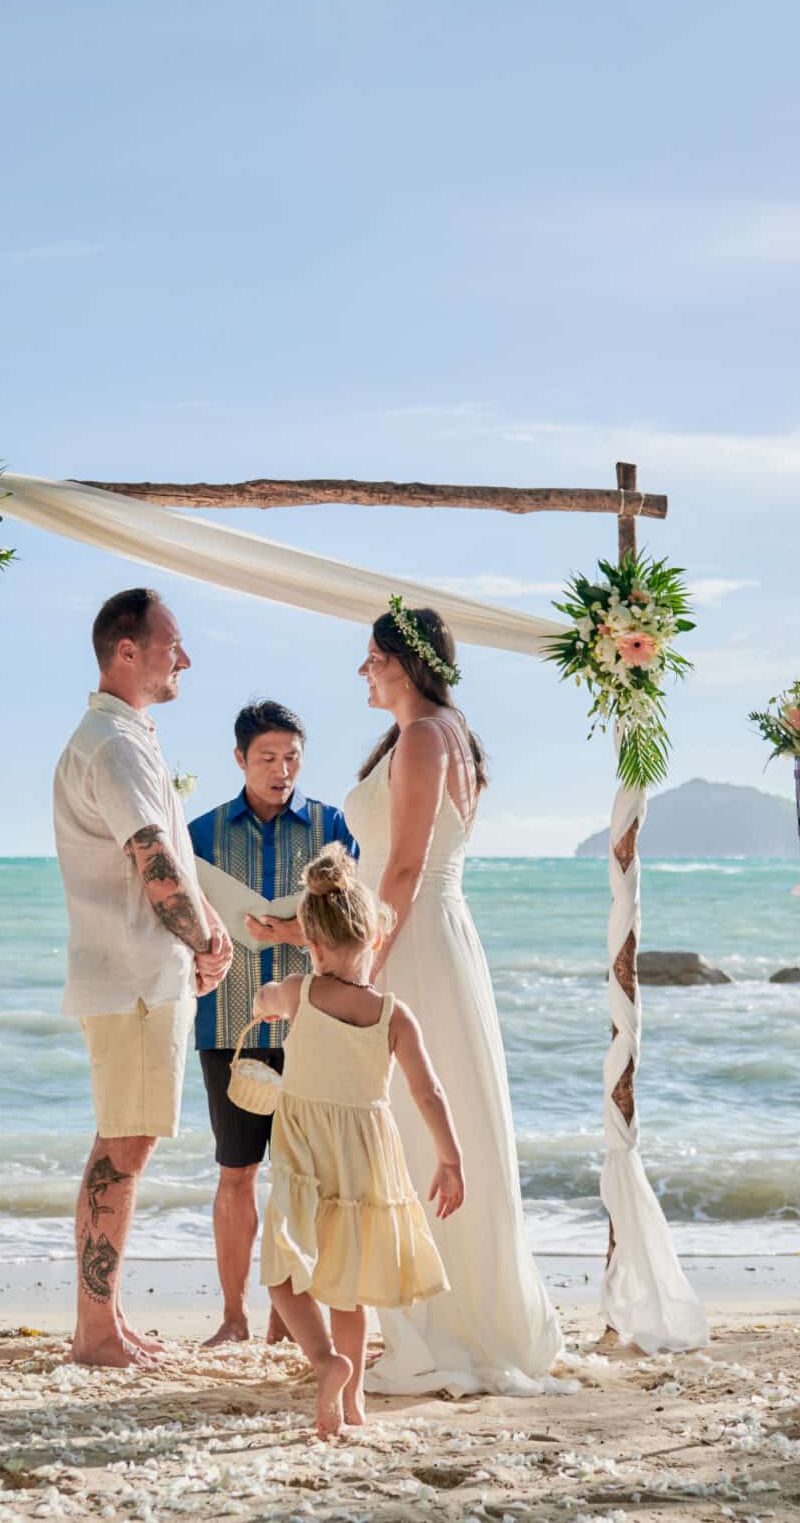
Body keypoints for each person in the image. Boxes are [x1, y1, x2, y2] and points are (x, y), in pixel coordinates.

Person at [251, 603, 570, 1396]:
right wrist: (299, 926)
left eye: (373, 657)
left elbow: (402, 869)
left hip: (412, 939)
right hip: (419, 932)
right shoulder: (431, 733)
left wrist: (360, 971)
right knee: (414, 1122)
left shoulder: (427, 736)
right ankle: (435, 1315)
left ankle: (439, 1327)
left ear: (408, 662)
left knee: (401, 1131)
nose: (363, 670)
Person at [51, 587, 233, 1368]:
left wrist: (204, 936)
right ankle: (95, 1331)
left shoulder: (124, 736)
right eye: (172, 643)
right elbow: (153, 862)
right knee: (122, 1148)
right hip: (131, 977)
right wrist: (207, 940)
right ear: (127, 651)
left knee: (123, 1142)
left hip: (136, 974)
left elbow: (166, 857)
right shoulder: (112, 745)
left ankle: (108, 1317)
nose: (184, 657)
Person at [253, 845, 461, 1439]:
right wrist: (450, 1158)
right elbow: (428, 1093)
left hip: (305, 1157)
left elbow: (265, 1001)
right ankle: (353, 1405)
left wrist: (268, 1005)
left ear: (311, 944)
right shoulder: (394, 1015)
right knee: (349, 1290)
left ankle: (327, 1363)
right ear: (374, 938)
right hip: (365, 1158)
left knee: (283, 1275)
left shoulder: (300, 992)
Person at [186, 699, 358, 1347]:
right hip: (227, 1025)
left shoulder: (332, 827)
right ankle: (233, 1318)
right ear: (239, 758)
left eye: (291, 757)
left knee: (305, 1177)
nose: (281, 770)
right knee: (237, 1171)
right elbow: (172, 915)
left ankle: (289, 1322)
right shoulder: (199, 834)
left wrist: (293, 931)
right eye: (267, 758)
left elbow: (358, 922)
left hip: (314, 1025)